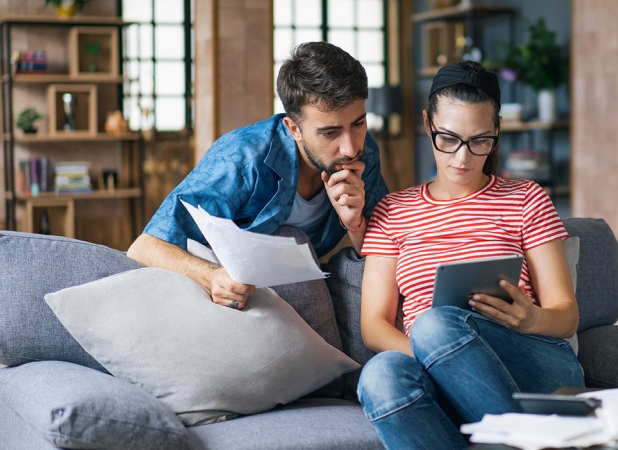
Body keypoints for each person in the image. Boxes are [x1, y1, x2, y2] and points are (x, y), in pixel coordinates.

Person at [357, 61, 583, 449]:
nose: (462, 158)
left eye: (480, 141)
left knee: (433, 324)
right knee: (380, 375)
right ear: (427, 123)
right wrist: (435, 357)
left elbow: (566, 314)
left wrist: (532, 319)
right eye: (448, 138)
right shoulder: (393, 211)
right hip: (434, 362)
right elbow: (374, 326)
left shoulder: (526, 199)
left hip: (531, 360)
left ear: (496, 131)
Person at [128, 42, 388, 311]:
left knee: (365, 271)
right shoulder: (242, 158)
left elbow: (385, 249)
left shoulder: (363, 151)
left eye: (358, 123)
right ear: (293, 129)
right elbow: (145, 247)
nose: (350, 147)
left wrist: (355, 224)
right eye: (330, 133)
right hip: (228, 288)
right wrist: (211, 276)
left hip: (300, 279)